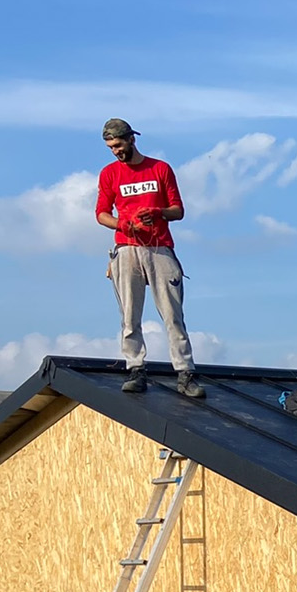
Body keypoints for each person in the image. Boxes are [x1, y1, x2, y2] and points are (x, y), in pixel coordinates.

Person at [96, 118, 204, 399]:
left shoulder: (160, 169)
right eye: (111, 147)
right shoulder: (109, 174)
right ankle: (135, 368)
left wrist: (157, 213)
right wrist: (123, 223)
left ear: (132, 139)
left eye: (118, 145)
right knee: (129, 315)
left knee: (173, 314)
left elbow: (178, 210)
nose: (116, 151)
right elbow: (101, 214)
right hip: (126, 247)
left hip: (159, 247)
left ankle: (185, 372)